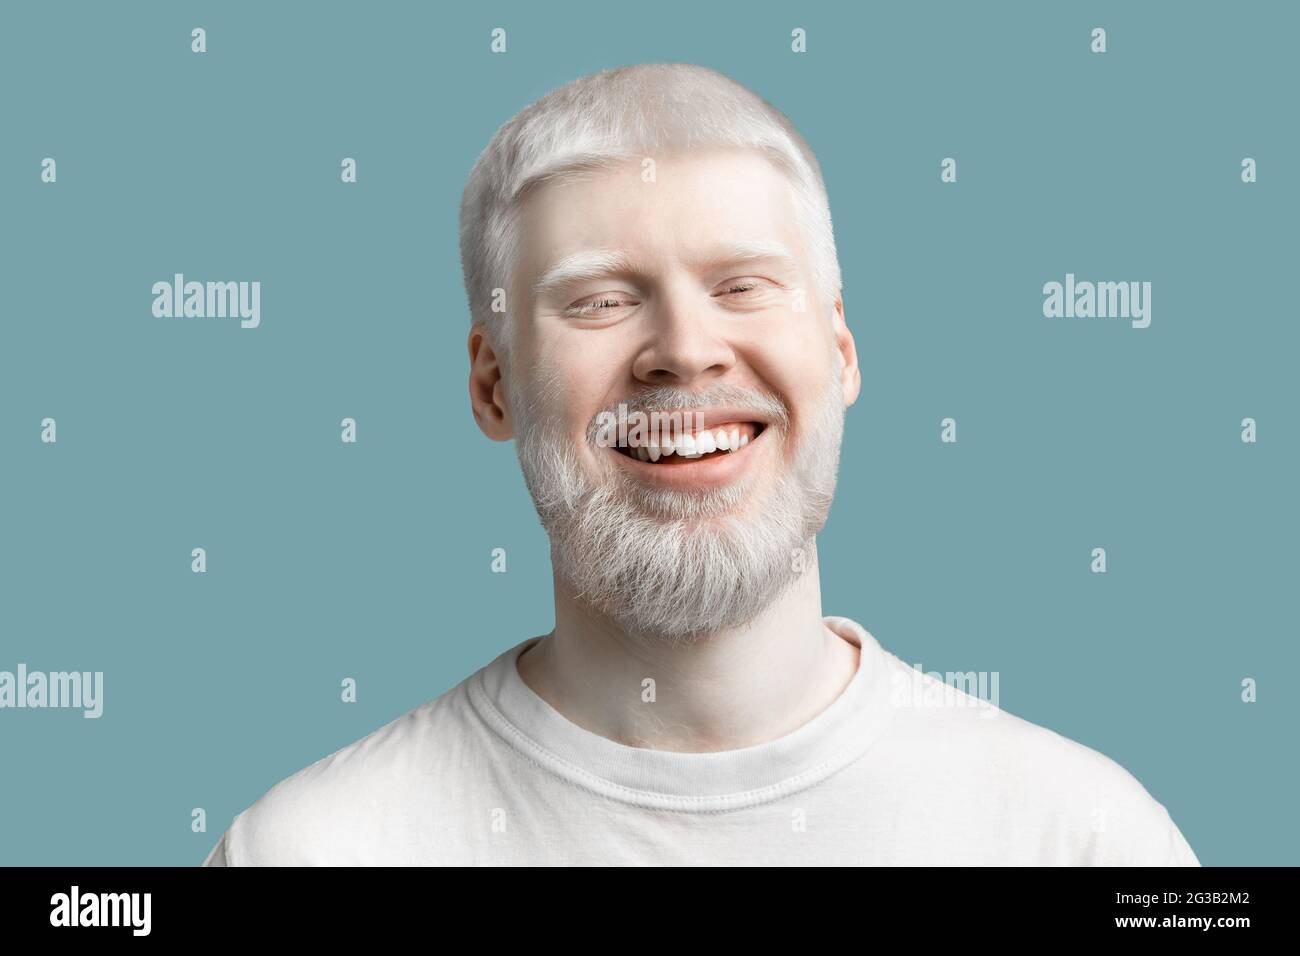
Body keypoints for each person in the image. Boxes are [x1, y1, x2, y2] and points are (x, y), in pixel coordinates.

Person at [202, 62, 1198, 866]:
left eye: (744, 285)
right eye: (597, 299)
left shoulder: (1080, 838)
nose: (684, 347)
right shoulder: (314, 850)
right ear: (493, 384)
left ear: (840, 353)